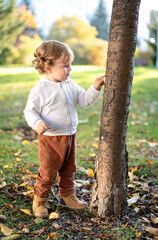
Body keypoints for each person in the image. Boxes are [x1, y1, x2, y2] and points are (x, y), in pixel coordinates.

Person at [24, 40, 105, 218]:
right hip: (51, 139)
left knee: (69, 169)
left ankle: (67, 196)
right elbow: (30, 111)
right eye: (65, 66)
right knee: (48, 172)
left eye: (70, 65)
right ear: (48, 67)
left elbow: (84, 100)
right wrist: (37, 123)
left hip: (70, 136)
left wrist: (95, 88)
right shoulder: (40, 89)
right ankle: (40, 200)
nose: (70, 70)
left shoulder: (70, 84)